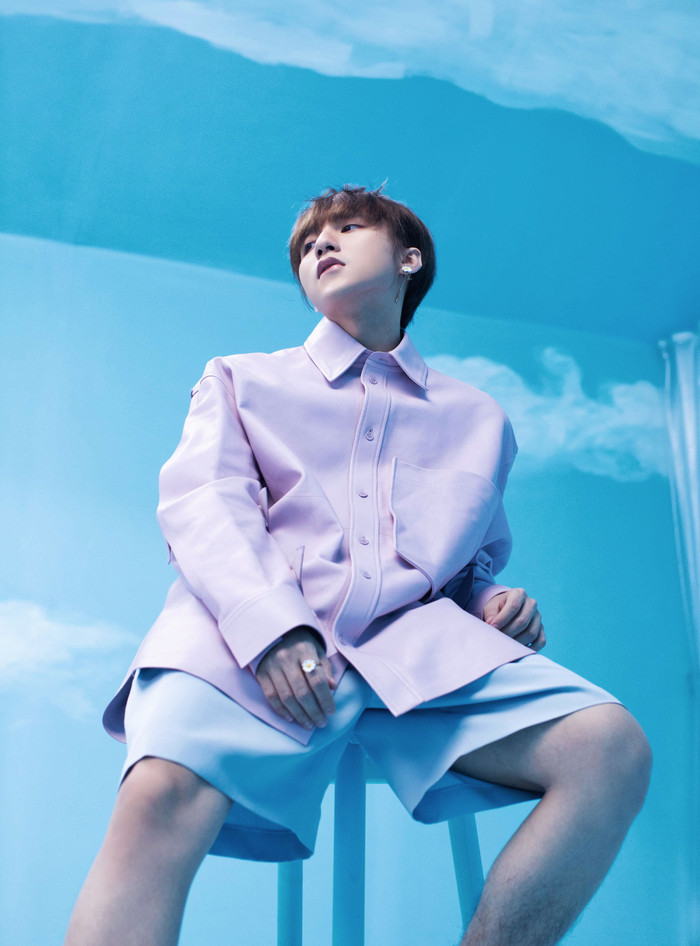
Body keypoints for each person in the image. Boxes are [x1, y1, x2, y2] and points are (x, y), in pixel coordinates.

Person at [64, 184, 651, 946]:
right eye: (308, 245)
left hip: (421, 655)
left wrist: (492, 604)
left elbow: (468, 566)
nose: (321, 244)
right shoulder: (239, 379)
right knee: (158, 792)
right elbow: (204, 504)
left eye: (346, 228)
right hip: (243, 641)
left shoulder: (480, 419)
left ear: (409, 260)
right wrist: (271, 627)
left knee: (611, 748)